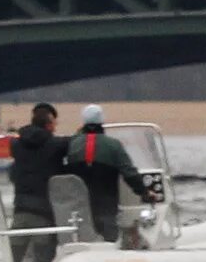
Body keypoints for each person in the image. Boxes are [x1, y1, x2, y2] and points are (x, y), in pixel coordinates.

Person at [65, 103, 161, 244]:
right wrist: (145, 193)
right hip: (106, 207)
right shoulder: (113, 145)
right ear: (101, 122)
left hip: (79, 211)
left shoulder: (73, 143)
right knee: (110, 236)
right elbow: (130, 174)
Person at [4, 102, 67, 262]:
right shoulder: (56, 146)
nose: (55, 127)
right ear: (48, 125)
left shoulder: (16, 145)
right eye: (54, 124)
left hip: (20, 211)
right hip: (44, 214)